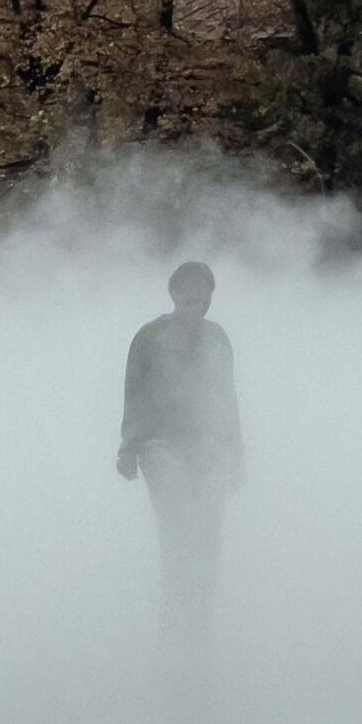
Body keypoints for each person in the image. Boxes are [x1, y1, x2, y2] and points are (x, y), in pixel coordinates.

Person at [117, 261, 242, 637]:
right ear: (174, 295)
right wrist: (129, 446)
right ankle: (174, 619)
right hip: (160, 447)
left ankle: (198, 621)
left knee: (208, 535)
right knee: (178, 528)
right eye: (188, 293)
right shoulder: (149, 337)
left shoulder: (217, 338)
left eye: (203, 294)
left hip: (207, 448)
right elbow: (134, 392)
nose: (196, 300)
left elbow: (227, 396)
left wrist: (236, 454)